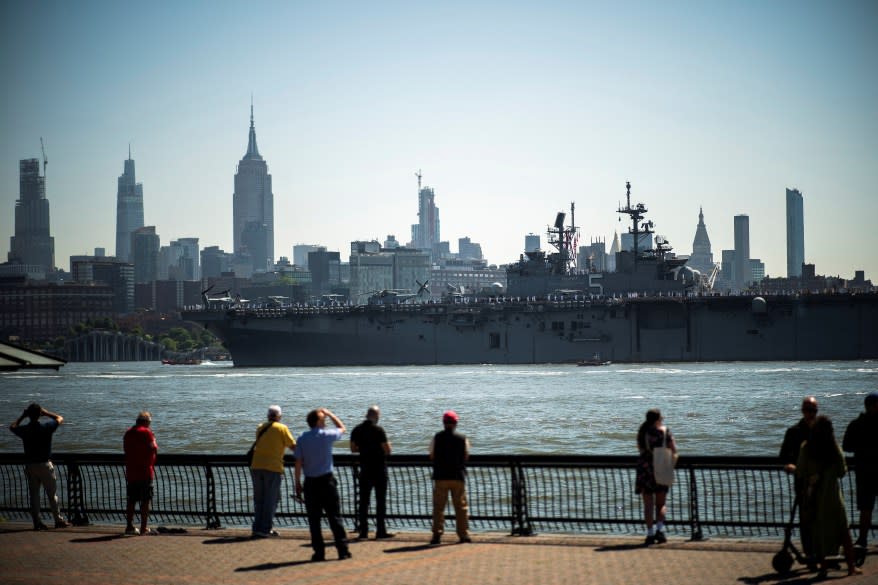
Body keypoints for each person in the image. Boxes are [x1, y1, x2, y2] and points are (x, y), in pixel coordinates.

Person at [796, 416, 862, 577]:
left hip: (816, 499)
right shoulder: (834, 448)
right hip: (833, 498)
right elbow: (842, 472)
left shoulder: (806, 448)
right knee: (844, 533)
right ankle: (852, 567)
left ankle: (823, 568)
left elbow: (800, 471)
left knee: (818, 534)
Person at [294, 408, 351, 562]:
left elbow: (298, 462)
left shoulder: (302, 438)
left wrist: (297, 483)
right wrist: (331, 413)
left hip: (310, 483)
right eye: (323, 419)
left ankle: (319, 553)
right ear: (319, 421)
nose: (325, 420)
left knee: (314, 520)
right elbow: (342, 428)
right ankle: (343, 550)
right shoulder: (326, 436)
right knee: (335, 517)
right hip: (327, 481)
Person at [9, 402, 71, 530]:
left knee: (34, 495)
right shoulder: (46, 428)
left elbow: (12, 427)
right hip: (44, 464)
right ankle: (58, 520)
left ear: (29, 415)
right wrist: (46, 412)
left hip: (31, 465)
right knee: (52, 494)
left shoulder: (25, 430)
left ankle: (37, 522)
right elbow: (60, 418)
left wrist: (22, 416)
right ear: (39, 415)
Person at [779, 396, 819, 560]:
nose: (812, 414)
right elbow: (783, 456)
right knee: (806, 519)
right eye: (809, 410)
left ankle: (826, 553)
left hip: (822, 481)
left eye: (814, 411)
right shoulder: (794, 431)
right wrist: (791, 466)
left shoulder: (822, 431)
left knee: (823, 518)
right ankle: (810, 553)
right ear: (803, 411)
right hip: (802, 481)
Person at [250, 405, 297, 538]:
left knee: (259, 500)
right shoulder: (282, 428)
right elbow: (293, 446)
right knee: (271, 499)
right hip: (273, 468)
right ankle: (265, 529)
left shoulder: (260, 427)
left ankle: (257, 528)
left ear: (267, 416)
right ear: (280, 417)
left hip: (256, 467)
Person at [350, 405, 394, 539]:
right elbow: (387, 450)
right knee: (380, 502)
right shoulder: (379, 430)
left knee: (364, 502)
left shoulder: (357, 430)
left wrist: (365, 449)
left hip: (365, 470)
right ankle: (381, 531)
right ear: (375, 416)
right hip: (379, 470)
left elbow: (353, 449)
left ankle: (363, 532)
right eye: (378, 416)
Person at [635, 408, 677, 545]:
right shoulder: (664, 432)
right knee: (661, 504)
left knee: (648, 505)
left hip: (645, 469)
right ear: (658, 419)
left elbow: (640, 449)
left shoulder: (642, 432)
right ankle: (660, 530)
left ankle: (650, 533)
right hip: (662, 467)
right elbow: (673, 450)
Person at [843, 391, 878, 554]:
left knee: (865, 508)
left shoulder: (855, 424)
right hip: (869, 471)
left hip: (863, 471)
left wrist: (862, 449)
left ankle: (862, 539)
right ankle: (864, 539)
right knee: (866, 507)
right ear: (872, 406)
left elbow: (846, 447)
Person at [429, 410, 471, 545]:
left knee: (439, 507)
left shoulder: (437, 437)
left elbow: (432, 455)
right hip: (457, 476)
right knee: (461, 507)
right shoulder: (462, 438)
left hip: (441, 476)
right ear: (456, 423)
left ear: (443, 423)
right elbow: (466, 455)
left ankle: (437, 535)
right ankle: (463, 535)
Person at [123, 411, 158, 535]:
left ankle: (129, 527)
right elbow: (154, 448)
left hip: (131, 472)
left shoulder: (128, 433)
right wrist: (153, 437)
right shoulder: (147, 432)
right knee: (145, 500)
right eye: (150, 422)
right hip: (145, 472)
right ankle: (143, 528)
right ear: (146, 421)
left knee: (131, 500)